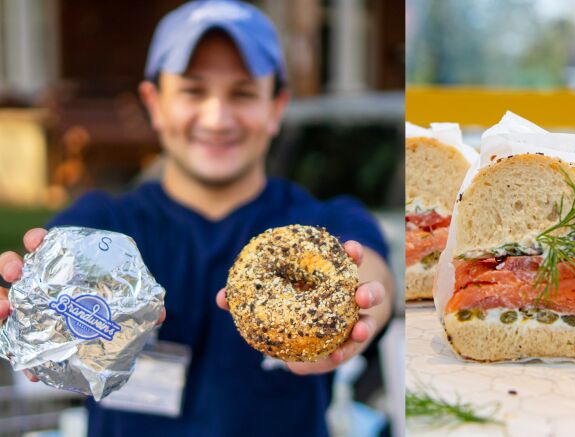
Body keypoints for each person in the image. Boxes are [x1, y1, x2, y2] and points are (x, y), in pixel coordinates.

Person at [0, 1, 394, 436]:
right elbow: (51, 272)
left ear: (276, 106)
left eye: (242, 93)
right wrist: (27, 302)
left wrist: (365, 311)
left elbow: (373, 269)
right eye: (192, 90)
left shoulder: (323, 219)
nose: (217, 117)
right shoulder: (102, 226)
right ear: (154, 102)